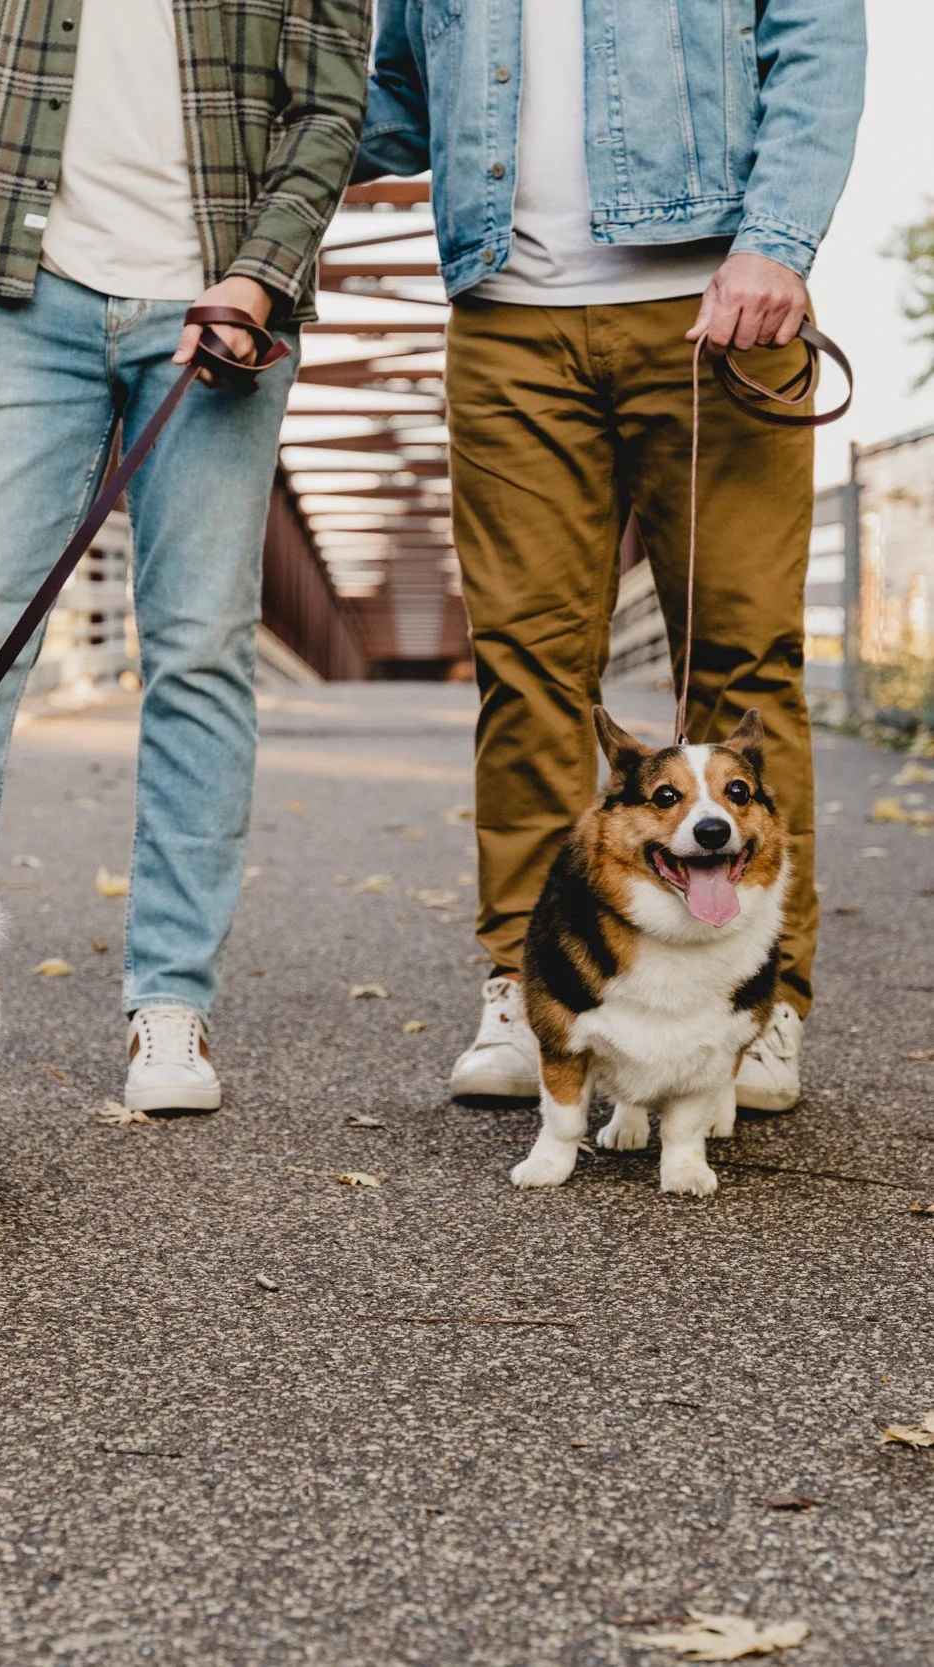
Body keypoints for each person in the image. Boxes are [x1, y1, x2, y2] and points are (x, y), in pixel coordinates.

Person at [356, 0, 865, 1112]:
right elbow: (388, 99)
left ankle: (758, 1001)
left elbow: (818, 37)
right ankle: (533, 988)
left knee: (743, 660)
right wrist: (220, 129)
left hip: (716, 301)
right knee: (525, 667)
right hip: (505, 319)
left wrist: (775, 242)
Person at [0, 1, 369, 1113]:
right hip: (21, 290)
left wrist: (262, 272)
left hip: (221, 297)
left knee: (199, 646)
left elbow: (331, 103)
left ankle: (171, 1002)